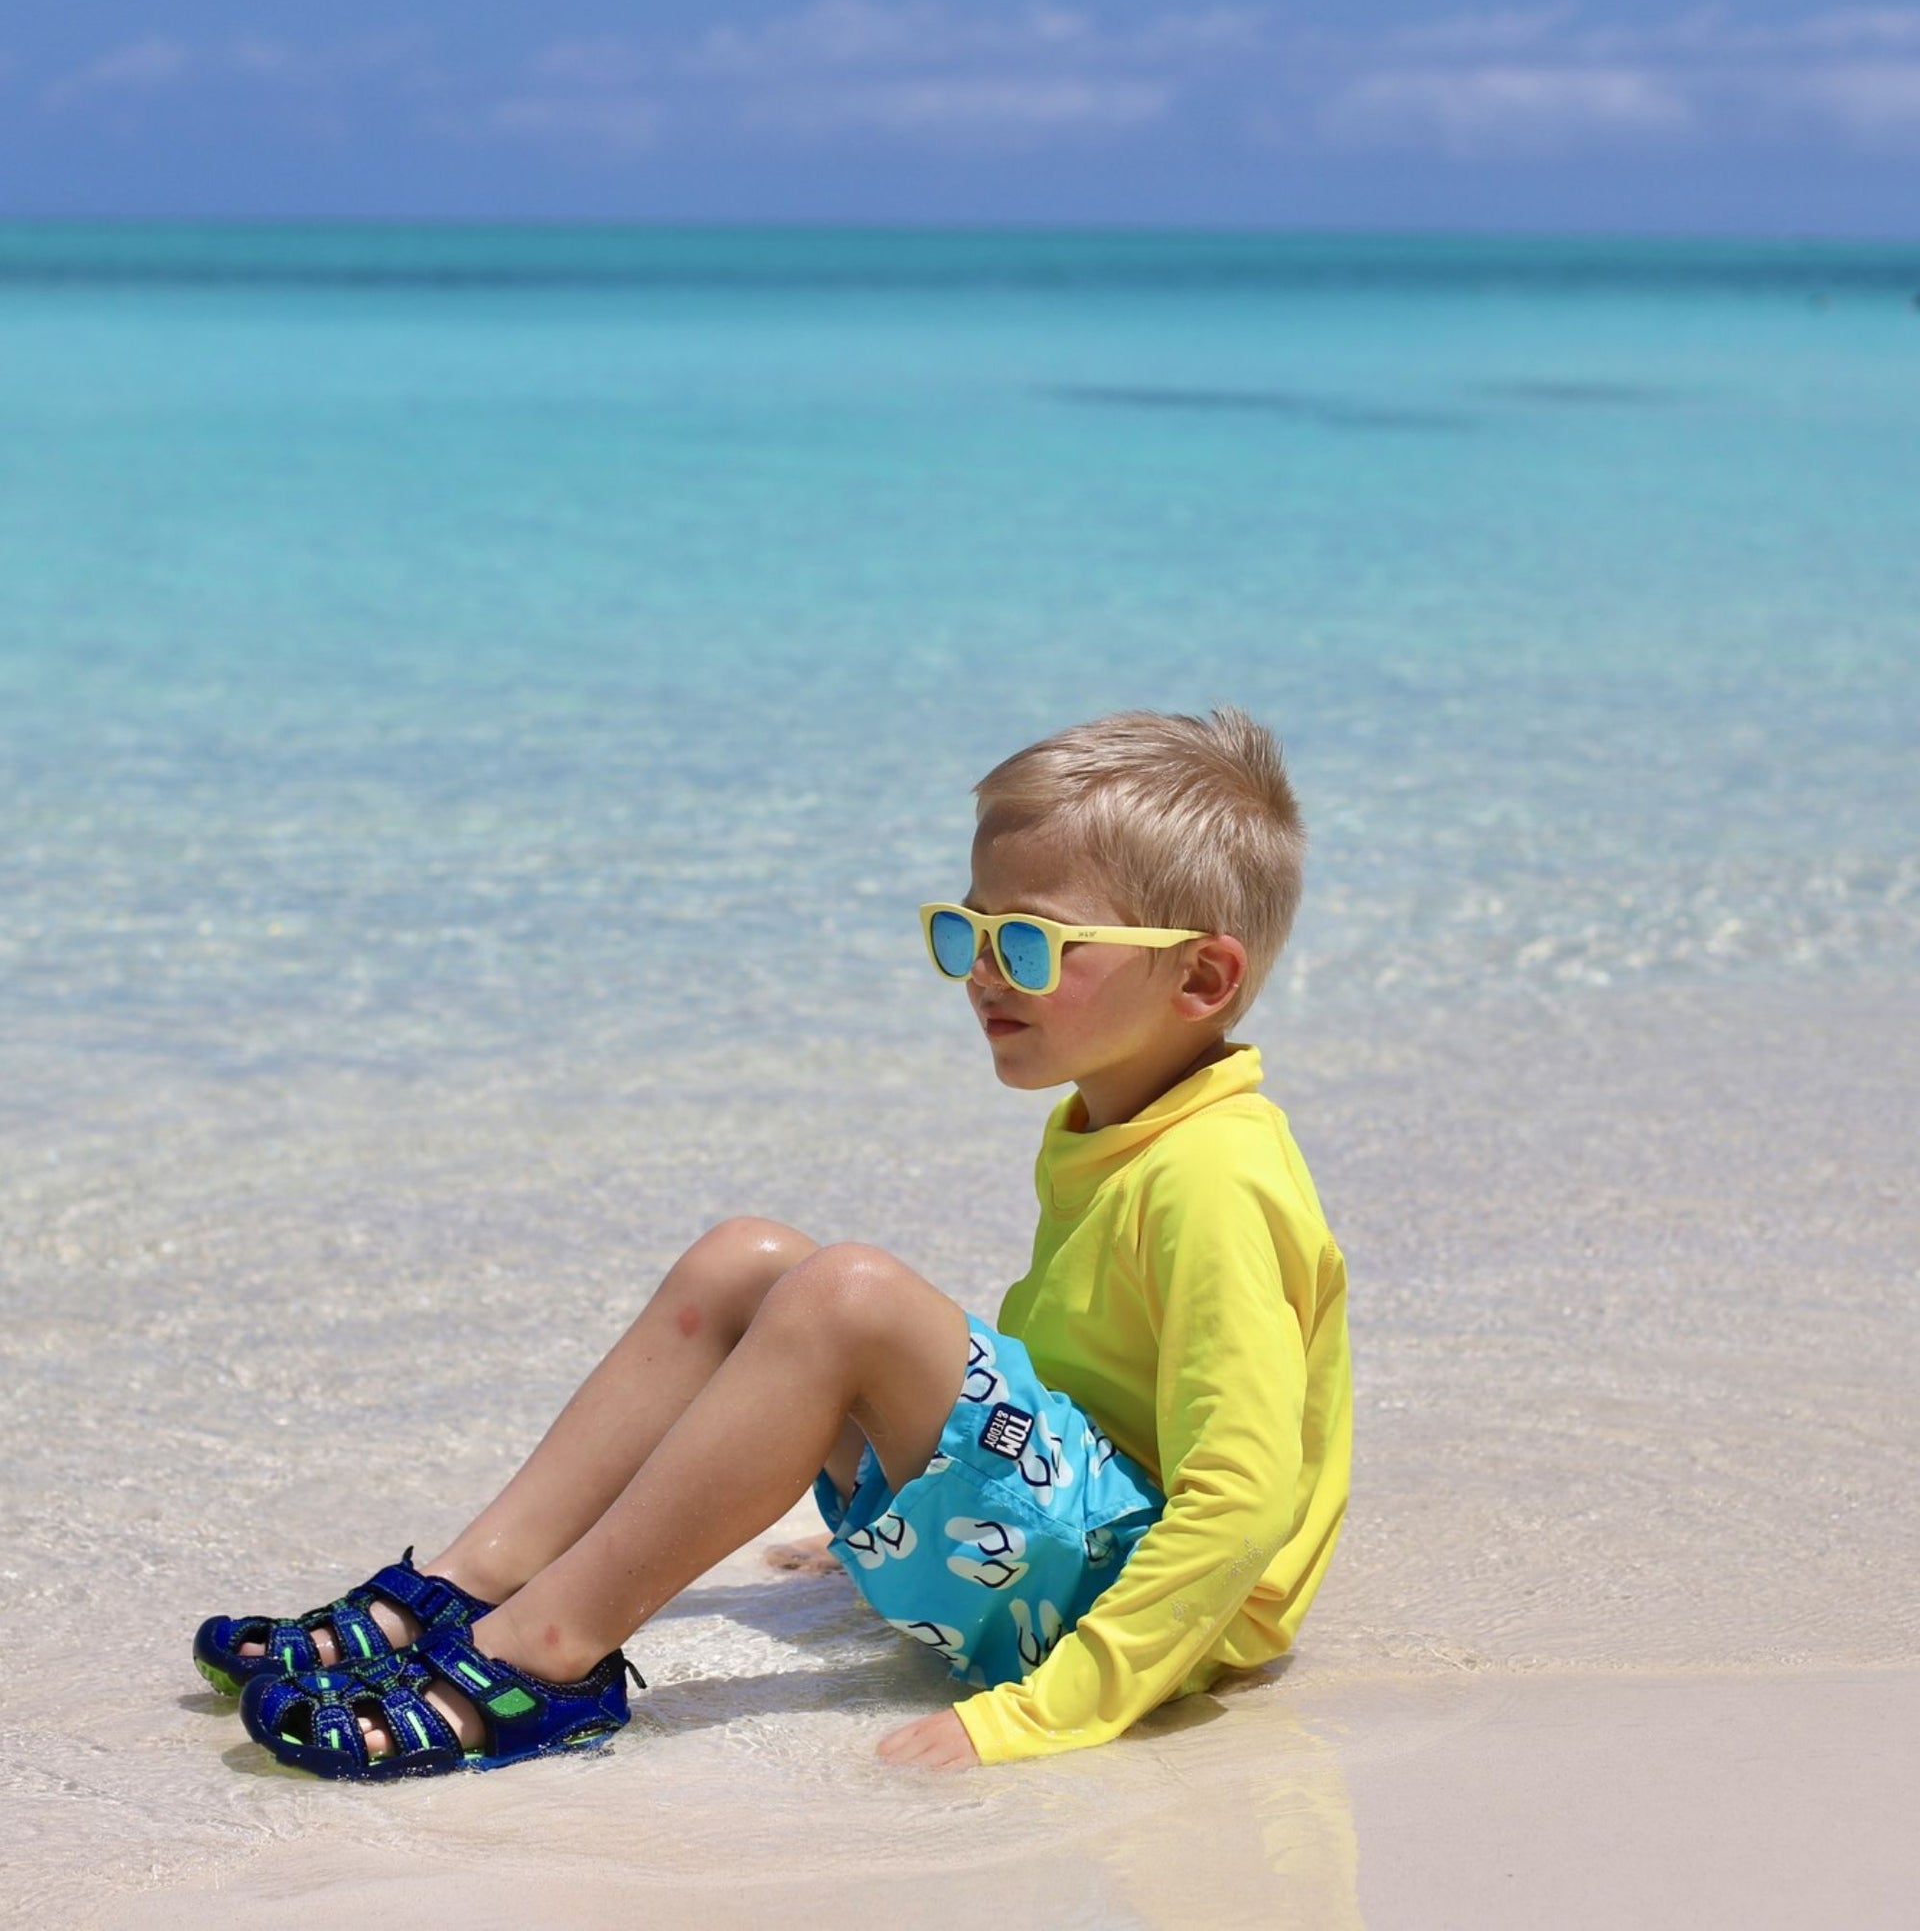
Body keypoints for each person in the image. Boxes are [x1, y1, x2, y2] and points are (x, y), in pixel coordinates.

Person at [198, 706, 1352, 1776]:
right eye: (968, 930)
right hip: (1063, 1549)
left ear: (1200, 975)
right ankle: (469, 1583)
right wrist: (892, 1493)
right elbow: (1086, 1386)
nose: (984, 973)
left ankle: (548, 1655)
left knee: (849, 1294)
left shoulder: (1215, 1174)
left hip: (1146, 1622)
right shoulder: (1121, 1122)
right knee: (748, 1260)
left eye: (1035, 945)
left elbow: (1240, 1501)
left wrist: (1043, 1713)